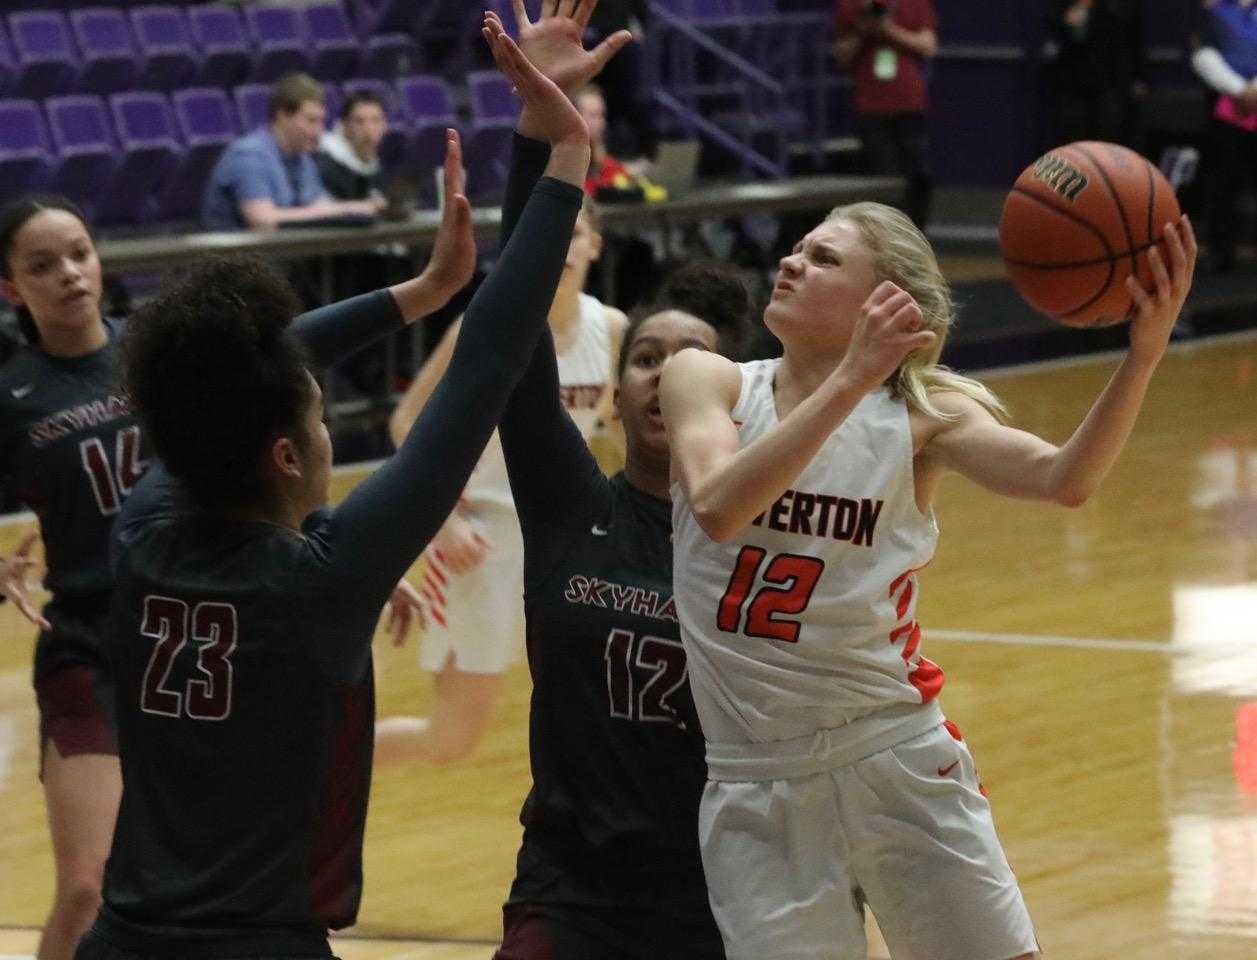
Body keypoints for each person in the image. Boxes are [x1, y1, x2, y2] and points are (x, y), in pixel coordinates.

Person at [72, 15, 605, 960]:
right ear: (286, 456)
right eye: (315, 420)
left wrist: (424, 289)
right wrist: (553, 150)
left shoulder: (144, 527)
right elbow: (488, 362)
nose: (325, 433)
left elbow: (239, 368)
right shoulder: (317, 581)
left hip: (123, 938)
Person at [660, 200, 1196, 958]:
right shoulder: (706, 378)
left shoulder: (922, 415)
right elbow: (717, 506)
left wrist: (1141, 354)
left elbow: (1063, 479)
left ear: (886, 300)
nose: (790, 262)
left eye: (823, 259)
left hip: (891, 751)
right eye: (797, 248)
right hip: (755, 773)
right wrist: (847, 378)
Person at [452, 8, 735, 957]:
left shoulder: (766, 538)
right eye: (646, 357)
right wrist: (540, 127)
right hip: (570, 889)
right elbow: (508, 326)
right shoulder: (574, 503)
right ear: (613, 397)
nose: (664, 372)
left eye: (691, 359)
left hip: (722, 890)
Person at [374, 189, 628, 766]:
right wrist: (444, 521)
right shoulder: (492, 320)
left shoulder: (611, 328)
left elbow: (617, 429)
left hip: (559, 544)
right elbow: (405, 420)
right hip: (480, 539)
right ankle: (314, 774)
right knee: (451, 737)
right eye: (552, 234)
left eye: (575, 233)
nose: (563, 246)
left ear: (595, 244)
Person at [0, 197, 133, 960]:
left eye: (78, 253)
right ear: (12, 288)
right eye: (42, 265)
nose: (70, 275)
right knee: (88, 887)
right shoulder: (12, 394)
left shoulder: (154, 354)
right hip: (85, 645)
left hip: (189, 641)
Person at [202, 72, 382, 231]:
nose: (319, 130)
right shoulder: (249, 154)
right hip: (235, 265)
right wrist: (346, 209)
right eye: (311, 121)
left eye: (321, 121)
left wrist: (362, 208)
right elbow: (263, 221)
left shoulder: (301, 157)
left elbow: (322, 208)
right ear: (282, 115)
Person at [833, 0, 938, 229]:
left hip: (909, 103)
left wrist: (889, 29)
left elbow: (928, 45)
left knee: (919, 174)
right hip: (870, 106)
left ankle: (917, 232)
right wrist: (863, 30)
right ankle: (888, 238)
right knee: (883, 177)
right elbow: (841, 56)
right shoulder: (851, 6)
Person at [1190, 0, 1257, 273]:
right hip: (1228, 111)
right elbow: (1202, 56)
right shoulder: (1214, 13)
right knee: (1224, 181)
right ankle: (1221, 252)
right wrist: (1240, 90)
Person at [1047, 0, 1146, 147]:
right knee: (1074, 138)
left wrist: (1139, 77)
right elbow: (1058, 29)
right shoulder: (1068, 6)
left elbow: (1133, 38)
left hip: (1112, 81)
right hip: (1074, 82)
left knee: (1109, 138)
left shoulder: (1120, 7)